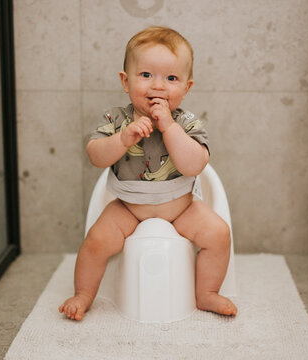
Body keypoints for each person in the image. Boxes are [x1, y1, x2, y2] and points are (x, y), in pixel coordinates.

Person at [59, 26, 237, 321]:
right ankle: (84, 294)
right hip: (127, 208)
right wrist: (123, 139)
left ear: (187, 87)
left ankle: (207, 293)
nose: (158, 86)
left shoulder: (187, 122)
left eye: (171, 78)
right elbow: (94, 155)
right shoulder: (116, 119)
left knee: (218, 234)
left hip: (182, 208)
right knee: (96, 241)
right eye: (146, 75)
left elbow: (194, 165)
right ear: (125, 81)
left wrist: (169, 127)